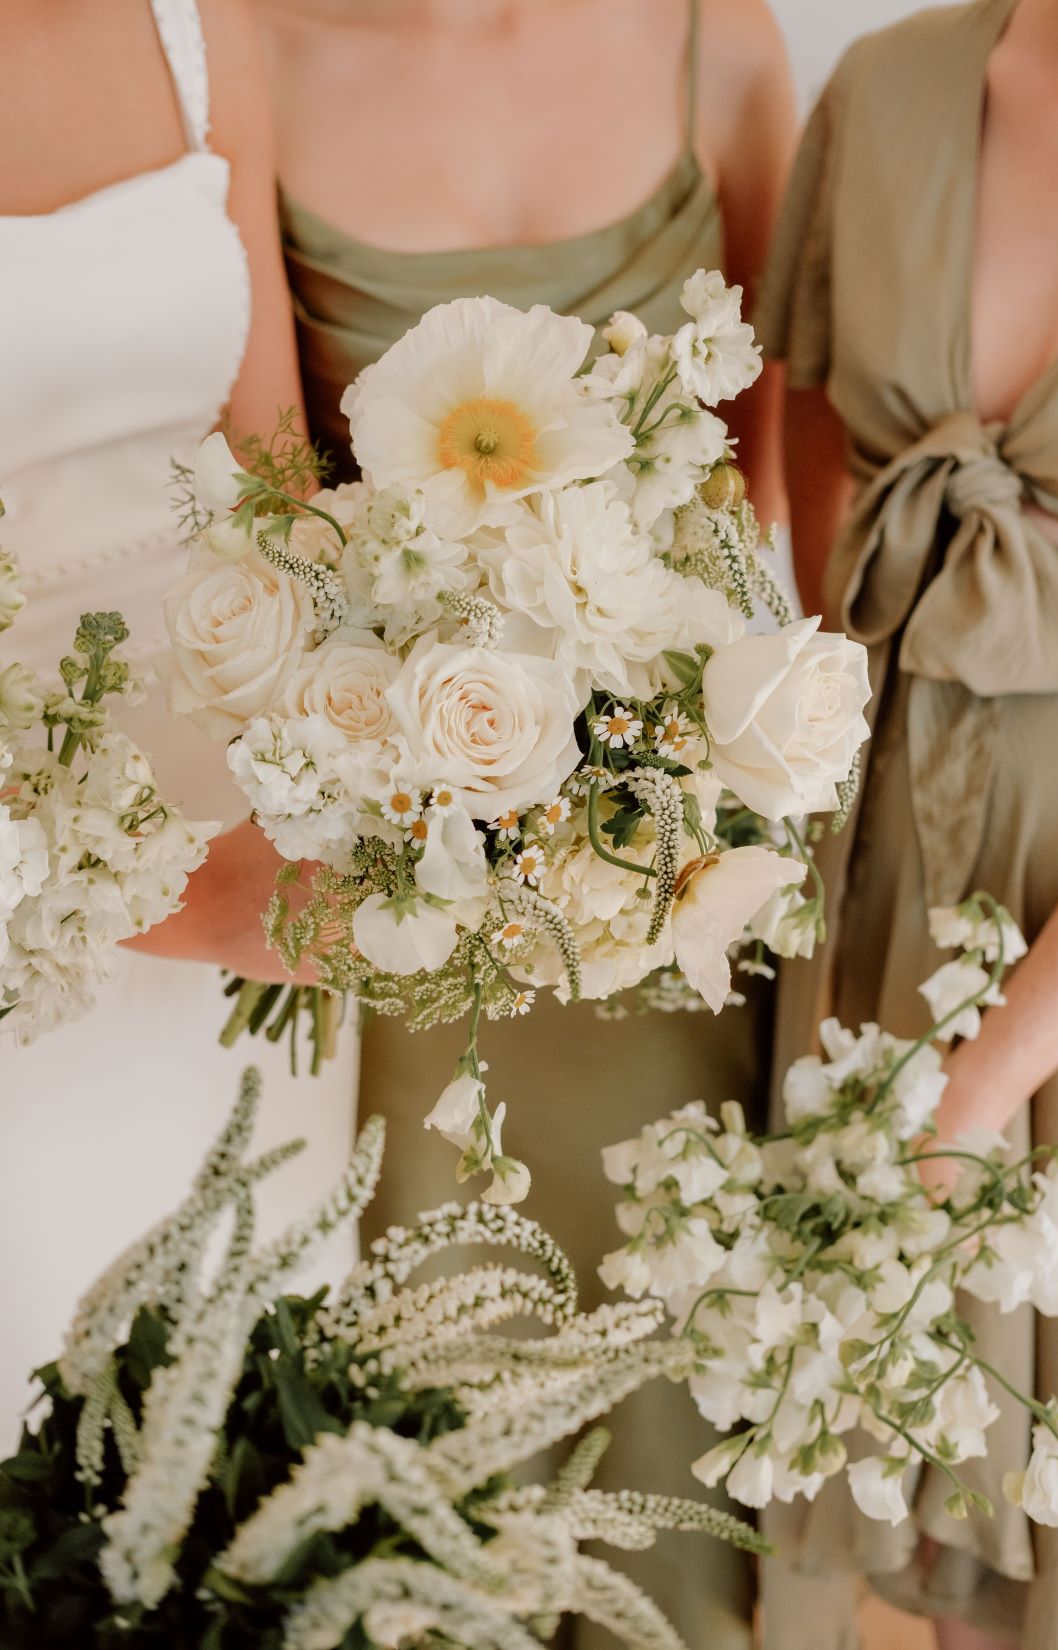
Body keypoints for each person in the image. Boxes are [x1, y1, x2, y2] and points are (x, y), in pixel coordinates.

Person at [257, 2, 795, 1643]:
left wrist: (691, 783)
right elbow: (274, 520)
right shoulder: (253, 51)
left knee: (684, 1408)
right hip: (418, 899)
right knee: (445, 1399)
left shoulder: (717, 36)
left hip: (676, 877)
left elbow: (768, 487)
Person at [755, 1, 1058, 1647]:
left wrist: (979, 1086)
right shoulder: (884, 89)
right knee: (930, 1514)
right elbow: (815, 434)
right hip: (890, 857)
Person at [0, 0, 359, 1446]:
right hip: (44, 904)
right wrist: (181, 896)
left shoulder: (201, 25)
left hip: (262, 844)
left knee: (250, 1409)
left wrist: (385, 757)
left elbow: (275, 481)